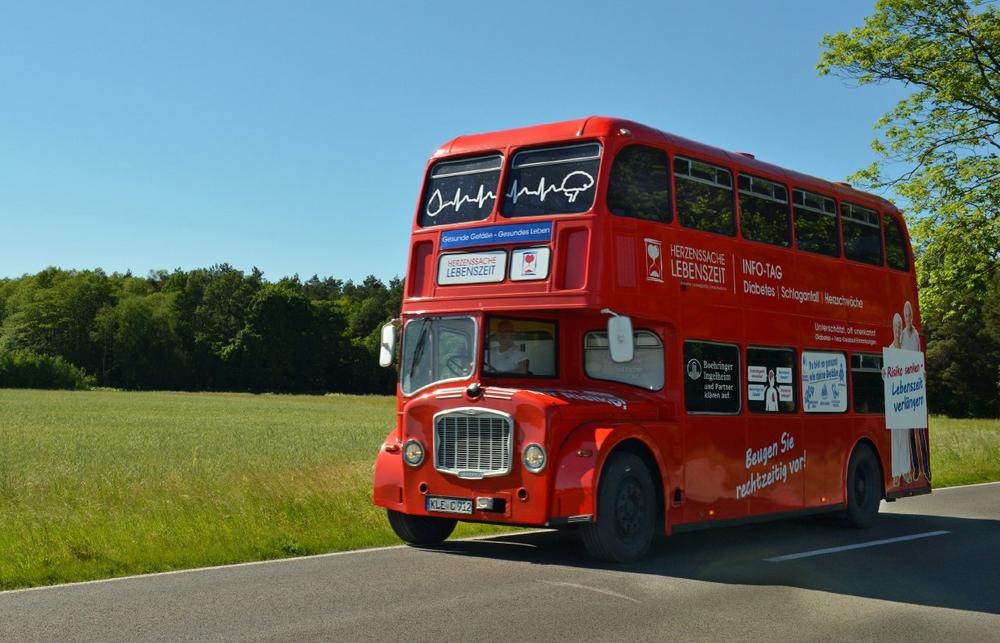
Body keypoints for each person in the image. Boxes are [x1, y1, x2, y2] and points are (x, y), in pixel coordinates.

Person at [886, 312, 913, 486]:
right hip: (894, 400)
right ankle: (896, 473)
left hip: (906, 399)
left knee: (905, 437)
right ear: (892, 328)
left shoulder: (907, 349)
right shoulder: (889, 350)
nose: (897, 329)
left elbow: (913, 371)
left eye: (899, 326)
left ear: (902, 328)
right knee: (896, 439)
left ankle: (906, 471)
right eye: (895, 326)